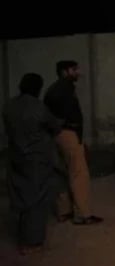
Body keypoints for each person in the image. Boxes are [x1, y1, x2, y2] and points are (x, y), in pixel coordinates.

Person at [3, 74, 62, 254]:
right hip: (36, 158)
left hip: (15, 156)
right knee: (37, 199)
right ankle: (33, 243)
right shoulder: (38, 107)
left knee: (21, 196)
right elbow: (54, 126)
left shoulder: (9, 105)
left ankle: (21, 237)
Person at [43, 60, 103, 225]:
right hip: (68, 134)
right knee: (79, 173)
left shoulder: (54, 89)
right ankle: (83, 214)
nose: (78, 73)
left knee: (61, 173)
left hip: (58, 134)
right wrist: (67, 124)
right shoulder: (63, 89)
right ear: (64, 71)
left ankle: (64, 211)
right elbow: (60, 113)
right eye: (74, 70)